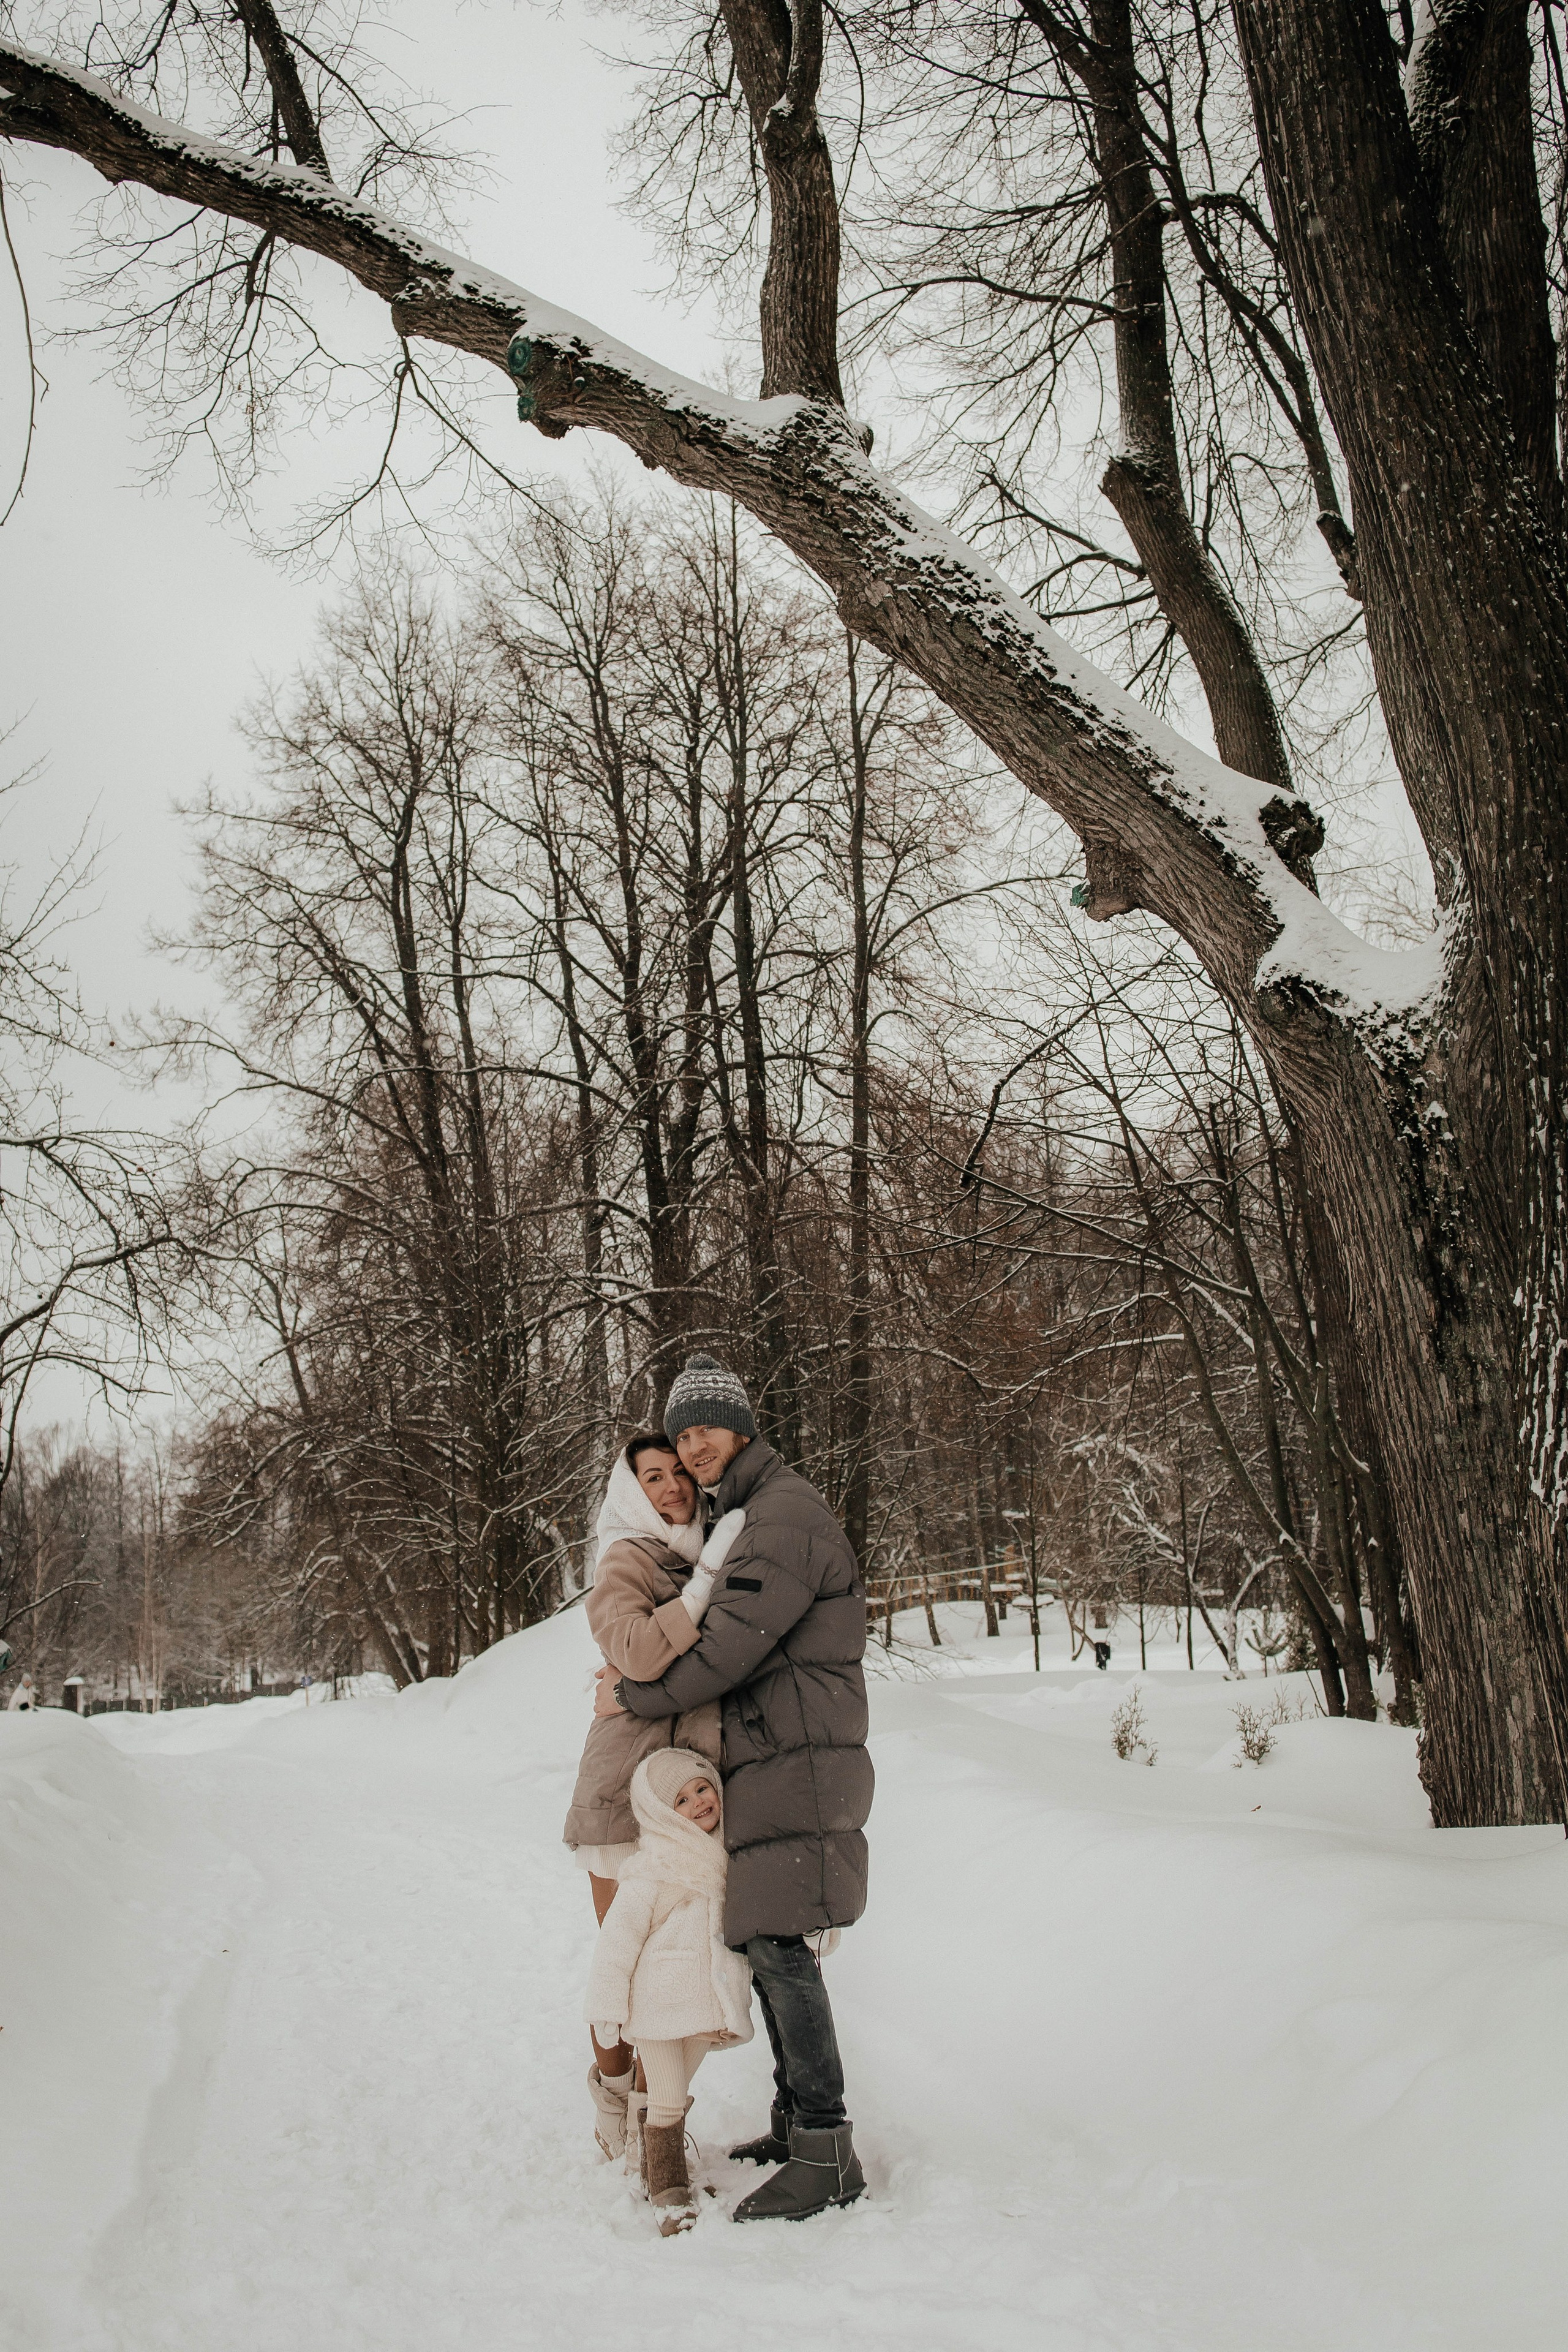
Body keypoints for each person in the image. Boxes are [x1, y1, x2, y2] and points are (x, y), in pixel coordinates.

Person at [597, 1352, 872, 2223]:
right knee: (765, 1941)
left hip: (801, 1757)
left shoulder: (780, 1515)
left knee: (783, 1951)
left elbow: (728, 1649)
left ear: (742, 1426)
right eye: (682, 1432)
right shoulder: (745, 1513)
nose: (694, 1444)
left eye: (706, 1426)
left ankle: (827, 2150)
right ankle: (796, 2127)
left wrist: (634, 1692)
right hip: (780, 1754)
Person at [564, 1433, 744, 2162]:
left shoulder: (708, 1550)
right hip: (619, 1791)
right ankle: (612, 2095)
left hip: (683, 1796)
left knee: (675, 1969)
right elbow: (637, 1654)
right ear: (630, 1490)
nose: (671, 1487)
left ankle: (653, 2119)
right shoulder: (625, 1560)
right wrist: (699, 1590)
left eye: (676, 1473)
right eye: (652, 1477)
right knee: (625, 1958)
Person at [586, 1749, 754, 2234]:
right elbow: (618, 1941)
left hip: (707, 2003)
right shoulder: (653, 1869)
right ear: (661, 1814)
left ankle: (649, 2160)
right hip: (659, 2005)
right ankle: (667, 2187)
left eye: (703, 1788)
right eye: (681, 1799)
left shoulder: (728, 1855)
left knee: (678, 2089)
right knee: (667, 2095)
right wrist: (607, 2005)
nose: (699, 1801)